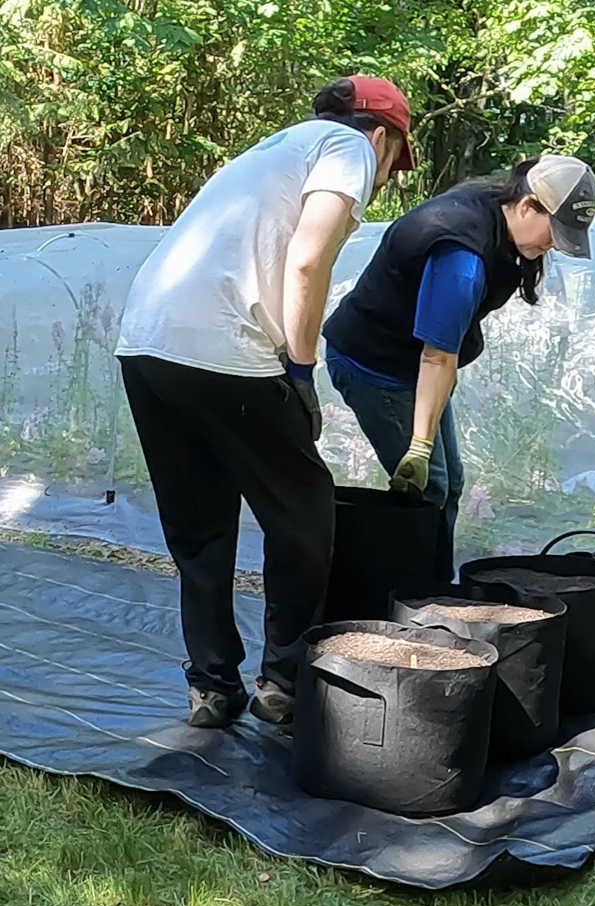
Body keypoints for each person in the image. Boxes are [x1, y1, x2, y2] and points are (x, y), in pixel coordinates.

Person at [115, 75, 415, 729]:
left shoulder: (271, 149)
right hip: (226, 345)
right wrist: (300, 373)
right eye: (396, 159)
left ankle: (212, 687)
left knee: (200, 527)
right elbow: (307, 262)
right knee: (302, 512)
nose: (389, 174)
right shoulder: (350, 149)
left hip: (144, 340)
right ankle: (283, 683)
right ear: (381, 134)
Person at [323, 154, 595, 581]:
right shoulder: (461, 257)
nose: (552, 245)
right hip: (375, 367)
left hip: (415, 367)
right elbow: (437, 355)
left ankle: (435, 586)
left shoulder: (499, 213)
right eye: (553, 233)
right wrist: (418, 445)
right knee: (427, 486)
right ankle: (413, 598)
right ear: (527, 205)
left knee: (449, 482)